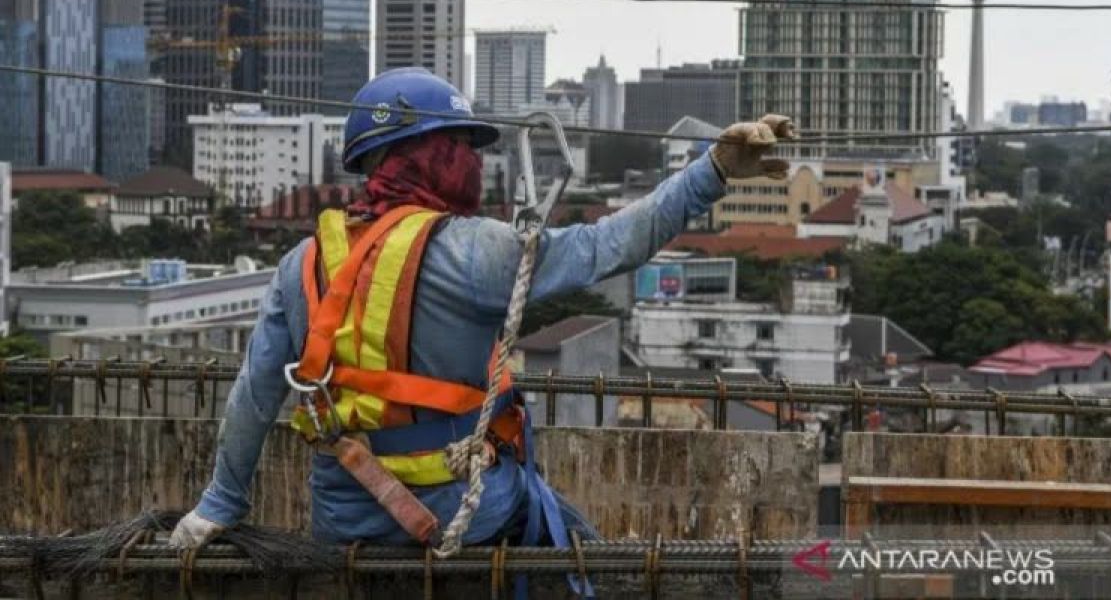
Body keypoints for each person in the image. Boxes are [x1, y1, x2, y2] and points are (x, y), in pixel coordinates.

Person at [169, 67, 792, 551]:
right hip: (463, 511)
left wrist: (219, 506)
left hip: (343, 514)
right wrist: (711, 171)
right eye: (461, 147)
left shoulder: (302, 261)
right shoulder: (472, 249)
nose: (473, 162)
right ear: (428, 155)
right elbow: (610, 246)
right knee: (584, 552)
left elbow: (254, 396)